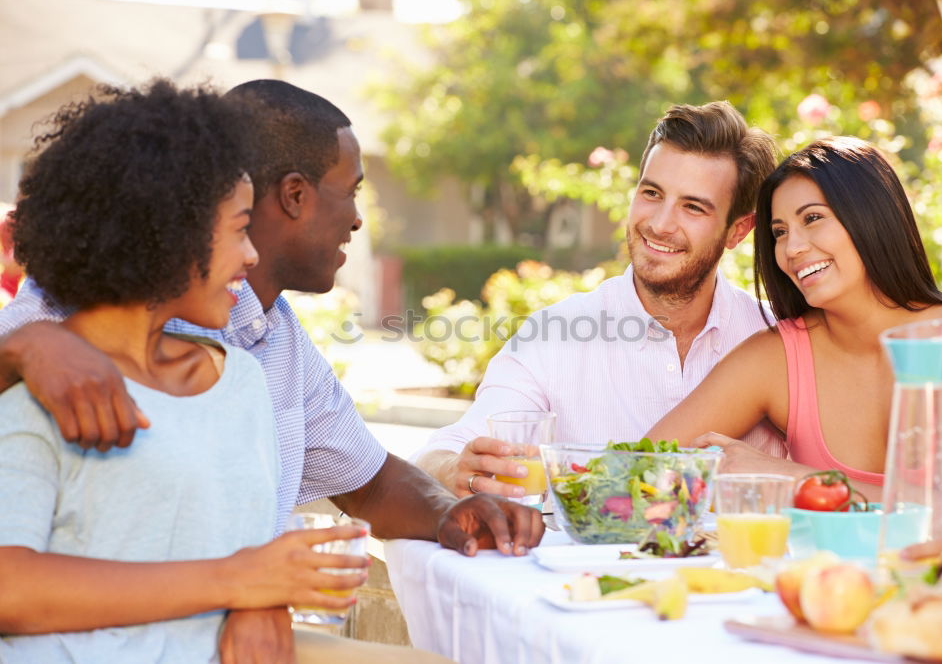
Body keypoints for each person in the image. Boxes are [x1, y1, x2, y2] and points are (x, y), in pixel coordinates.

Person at [0, 79, 541, 662]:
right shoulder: (52, 339)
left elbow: (362, 481)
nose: (358, 221)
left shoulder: (258, 354)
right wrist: (23, 347)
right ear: (293, 195)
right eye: (351, 192)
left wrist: (449, 513)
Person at [0, 79, 377, 662]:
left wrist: (262, 599)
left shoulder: (244, 379)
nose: (251, 255)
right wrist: (243, 582)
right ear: (169, 236)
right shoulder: (41, 382)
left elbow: (252, 529)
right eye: (237, 229)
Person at [412, 101, 787, 498]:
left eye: (693, 207)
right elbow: (440, 454)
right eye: (652, 193)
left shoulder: (778, 340)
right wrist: (454, 468)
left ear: (738, 230)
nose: (660, 224)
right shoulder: (555, 335)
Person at [644, 137, 942, 495]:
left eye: (812, 218)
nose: (792, 249)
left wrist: (793, 478)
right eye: (780, 233)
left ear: (873, 216)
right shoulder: (779, 357)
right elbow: (637, 473)